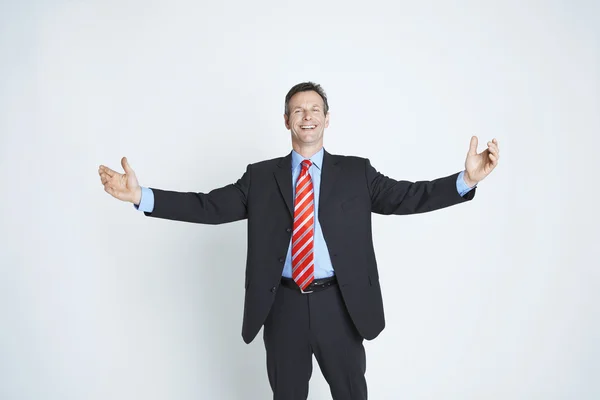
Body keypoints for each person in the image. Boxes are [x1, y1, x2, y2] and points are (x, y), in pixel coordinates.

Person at [98, 82, 500, 400]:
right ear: (286, 119)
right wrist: (141, 196)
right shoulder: (260, 177)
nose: (306, 116)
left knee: (351, 394)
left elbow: (409, 197)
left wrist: (465, 180)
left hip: (339, 306)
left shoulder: (356, 173)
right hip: (283, 305)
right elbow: (208, 207)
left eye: (314, 110)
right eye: (298, 110)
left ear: (327, 119)